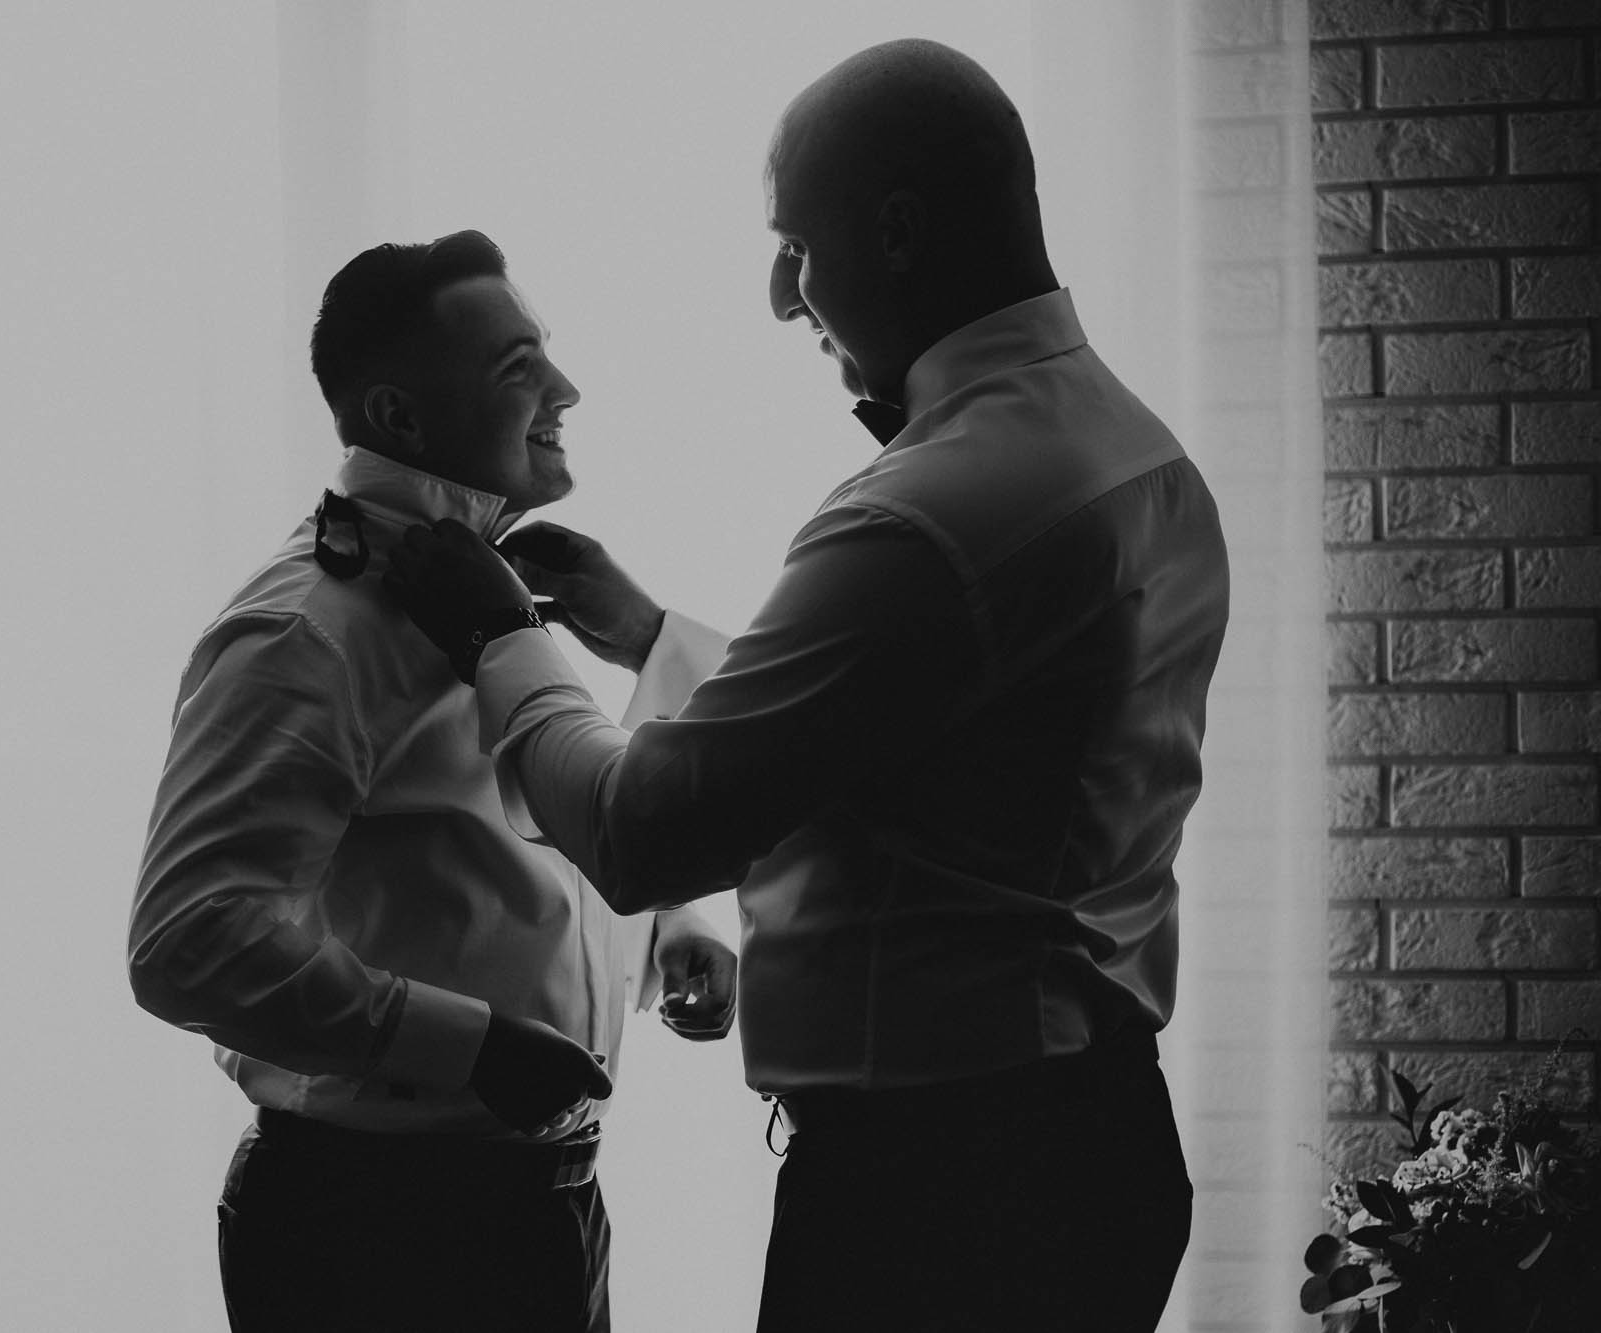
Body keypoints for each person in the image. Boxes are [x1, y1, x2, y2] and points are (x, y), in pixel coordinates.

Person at [383, 40, 1229, 1333]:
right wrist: (651, 634)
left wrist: (503, 636)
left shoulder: (926, 511)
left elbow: (642, 831)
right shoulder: (1133, 451)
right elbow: (910, 732)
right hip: (1090, 1137)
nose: (783, 297)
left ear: (895, 232)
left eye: (795, 246)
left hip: (945, 1199)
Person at [127, 229, 738, 1333]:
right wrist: (473, 1047)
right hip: (377, 1231)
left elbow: (483, 849)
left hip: (542, 1204)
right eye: (518, 368)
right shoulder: (305, 631)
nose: (566, 389)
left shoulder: (501, 596)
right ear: (400, 419)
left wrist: (659, 932)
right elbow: (189, 940)